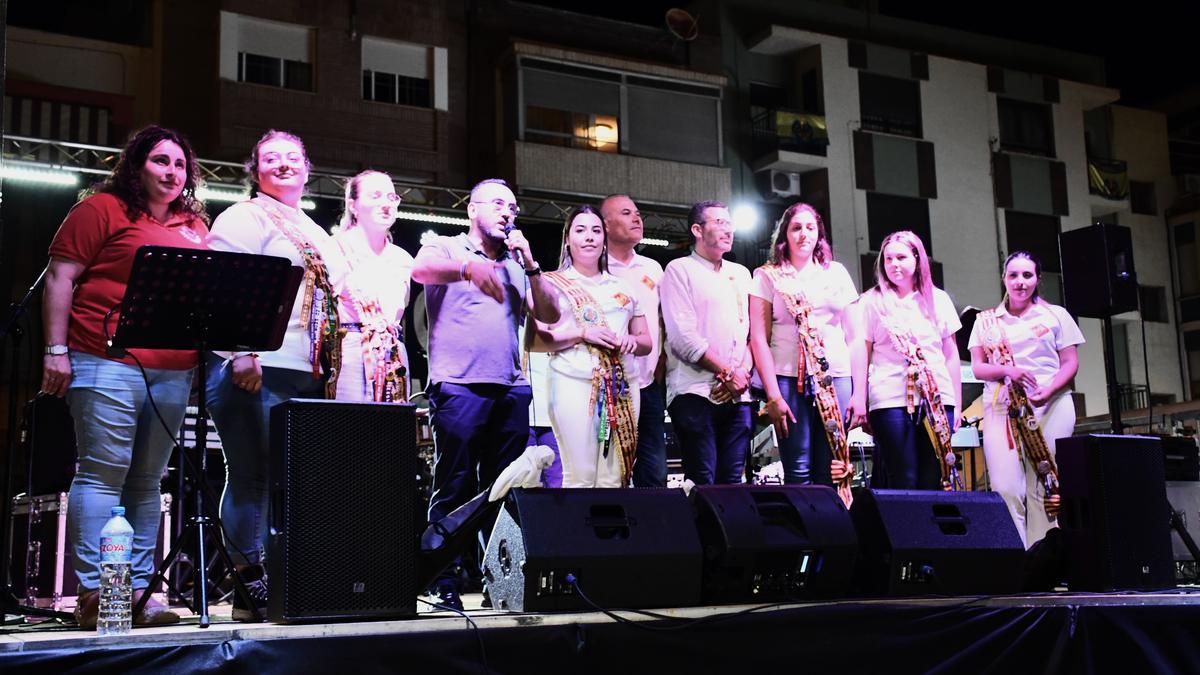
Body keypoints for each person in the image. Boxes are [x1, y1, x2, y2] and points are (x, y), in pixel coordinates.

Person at [41, 125, 209, 628]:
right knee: (102, 474)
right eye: (161, 161)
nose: (171, 172)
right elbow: (60, 278)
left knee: (146, 482)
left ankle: (133, 594)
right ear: (136, 165)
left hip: (173, 368)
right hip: (104, 357)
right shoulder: (101, 209)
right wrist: (55, 350)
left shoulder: (194, 224)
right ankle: (95, 594)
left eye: (180, 165)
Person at [205, 129, 346, 621]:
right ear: (255, 169)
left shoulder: (312, 228)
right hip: (257, 367)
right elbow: (224, 285)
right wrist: (240, 349)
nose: (283, 164)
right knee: (252, 477)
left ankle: (286, 580)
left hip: (307, 374)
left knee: (292, 482)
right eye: (271, 158)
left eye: (292, 156)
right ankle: (247, 583)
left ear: (307, 168)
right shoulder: (244, 216)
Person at [411, 178, 559, 609]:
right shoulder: (446, 247)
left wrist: (531, 264)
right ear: (472, 210)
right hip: (459, 385)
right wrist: (467, 269)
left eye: (513, 205)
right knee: (454, 485)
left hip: (510, 389)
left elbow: (548, 314)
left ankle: (496, 578)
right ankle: (443, 581)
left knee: (503, 489)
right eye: (497, 203)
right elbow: (419, 270)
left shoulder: (516, 263)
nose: (507, 211)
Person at [527, 206, 652, 487]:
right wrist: (583, 333)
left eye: (596, 231)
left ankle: (613, 531)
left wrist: (632, 341)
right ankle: (576, 531)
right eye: (580, 230)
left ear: (604, 239)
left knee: (617, 476)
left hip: (621, 386)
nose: (589, 238)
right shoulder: (550, 283)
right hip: (573, 381)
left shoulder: (624, 286)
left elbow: (646, 342)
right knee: (580, 474)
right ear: (567, 239)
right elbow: (535, 342)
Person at [969, 251, 1083, 548]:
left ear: (1038, 279)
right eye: (1013, 275)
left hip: (1051, 403)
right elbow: (979, 367)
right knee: (1005, 486)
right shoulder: (987, 322)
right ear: (1004, 279)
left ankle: (1043, 561)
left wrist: (1047, 391)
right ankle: (1017, 561)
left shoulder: (1056, 315)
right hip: (1002, 406)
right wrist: (1008, 370)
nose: (1020, 282)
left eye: (1027, 275)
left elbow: (1070, 362)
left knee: (1044, 484)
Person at [748, 202, 858, 487]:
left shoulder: (836, 272)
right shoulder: (767, 275)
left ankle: (833, 530)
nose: (803, 234)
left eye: (811, 228)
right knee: (797, 469)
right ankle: (802, 530)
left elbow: (856, 336)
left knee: (831, 466)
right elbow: (759, 338)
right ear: (785, 234)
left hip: (835, 378)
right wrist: (772, 394)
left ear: (819, 235)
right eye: (796, 228)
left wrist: (861, 394)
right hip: (786, 379)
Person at [846, 230, 961, 491]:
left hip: (936, 398)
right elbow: (861, 350)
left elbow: (950, 353)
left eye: (900, 257)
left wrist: (956, 401)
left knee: (934, 476)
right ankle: (904, 531)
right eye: (888, 259)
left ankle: (928, 532)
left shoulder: (938, 299)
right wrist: (858, 397)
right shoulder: (871, 301)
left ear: (917, 259)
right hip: (890, 399)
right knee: (903, 477)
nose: (894, 264)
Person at [660, 200, 753, 486]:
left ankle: (731, 533)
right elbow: (683, 338)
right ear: (698, 229)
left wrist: (741, 376)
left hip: (738, 395)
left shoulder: (741, 273)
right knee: (702, 481)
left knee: (734, 483)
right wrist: (728, 373)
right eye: (720, 223)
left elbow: (748, 335)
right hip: (694, 391)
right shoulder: (679, 269)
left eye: (730, 223)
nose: (728, 230)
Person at [600, 194, 667, 487]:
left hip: (649, 385)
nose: (637, 218)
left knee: (654, 473)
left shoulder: (652, 267)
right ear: (605, 224)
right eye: (626, 213)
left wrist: (662, 365)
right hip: (606, 388)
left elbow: (663, 320)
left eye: (637, 213)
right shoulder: (594, 267)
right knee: (609, 471)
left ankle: (653, 533)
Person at [332, 170, 413, 403]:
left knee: (389, 434)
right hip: (350, 352)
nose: (386, 204)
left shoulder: (404, 259)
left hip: (393, 355)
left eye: (391, 197)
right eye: (375, 196)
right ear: (353, 205)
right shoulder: (334, 249)